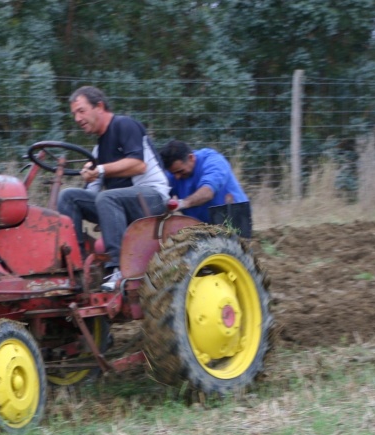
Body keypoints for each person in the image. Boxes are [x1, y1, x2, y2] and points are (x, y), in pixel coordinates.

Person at [58, 86, 170, 291]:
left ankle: (118, 269)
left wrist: (100, 170)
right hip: (120, 202)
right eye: (74, 113)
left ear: (99, 107)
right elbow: (91, 193)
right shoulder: (98, 150)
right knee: (69, 197)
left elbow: (139, 164)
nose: (77, 118)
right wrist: (90, 175)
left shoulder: (124, 125)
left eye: (81, 111)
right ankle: (77, 268)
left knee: (107, 198)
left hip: (152, 196)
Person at [159, 140, 252, 237]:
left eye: (180, 171)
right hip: (202, 226)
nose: (177, 177)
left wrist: (183, 203)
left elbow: (208, 192)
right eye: (173, 173)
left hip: (233, 221)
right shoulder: (172, 174)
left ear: (191, 158)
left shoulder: (214, 161)